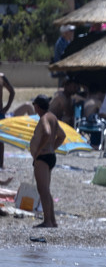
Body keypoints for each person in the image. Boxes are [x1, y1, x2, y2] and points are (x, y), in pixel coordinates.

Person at [30, 95, 64, 228]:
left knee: (42, 190)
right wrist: (52, 148)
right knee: (46, 190)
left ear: (37, 106)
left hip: (42, 158)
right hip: (50, 156)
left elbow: (47, 133)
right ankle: (52, 220)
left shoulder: (44, 118)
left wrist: (38, 151)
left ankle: (47, 221)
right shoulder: (52, 117)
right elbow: (62, 135)